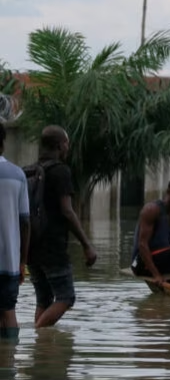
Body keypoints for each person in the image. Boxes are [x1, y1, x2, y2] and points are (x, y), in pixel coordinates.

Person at [26, 125, 97, 328]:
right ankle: (38, 332)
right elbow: (67, 211)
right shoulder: (60, 171)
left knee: (43, 299)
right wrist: (87, 245)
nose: (68, 148)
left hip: (31, 246)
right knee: (66, 298)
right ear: (60, 145)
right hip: (53, 246)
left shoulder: (29, 170)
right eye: (67, 143)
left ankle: (41, 347)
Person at [0, 123, 30, 340]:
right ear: (3, 144)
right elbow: (25, 222)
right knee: (9, 311)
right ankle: (8, 366)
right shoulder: (17, 175)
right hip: (9, 261)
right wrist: (22, 262)